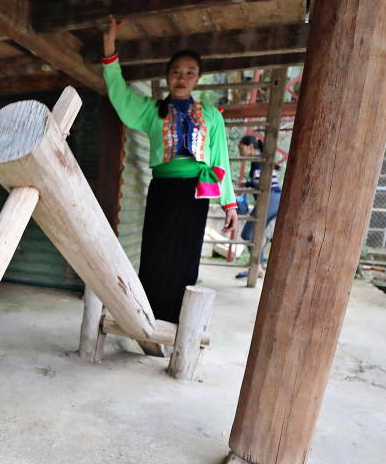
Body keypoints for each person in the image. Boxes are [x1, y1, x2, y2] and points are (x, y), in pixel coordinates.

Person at [102, 16, 237, 323]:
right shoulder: (152, 111)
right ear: (166, 77)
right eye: (176, 71)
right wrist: (110, 47)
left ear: (198, 78)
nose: (182, 77)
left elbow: (220, 161)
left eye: (189, 72)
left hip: (197, 193)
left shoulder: (212, 115)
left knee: (187, 257)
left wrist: (229, 204)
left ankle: (179, 321)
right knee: (156, 252)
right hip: (163, 190)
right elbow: (120, 95)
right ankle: (147, 317)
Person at [234, 135, 282, 278]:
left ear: (250, 147)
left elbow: (259, 183)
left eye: (242, 149)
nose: (240, 153)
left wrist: (245, 184)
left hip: (270, 199)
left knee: (248, 233)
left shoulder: (257, 161)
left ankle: (258, 267)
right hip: (274, 199)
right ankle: (257, 267)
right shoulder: (260, 159)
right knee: (256, 234)